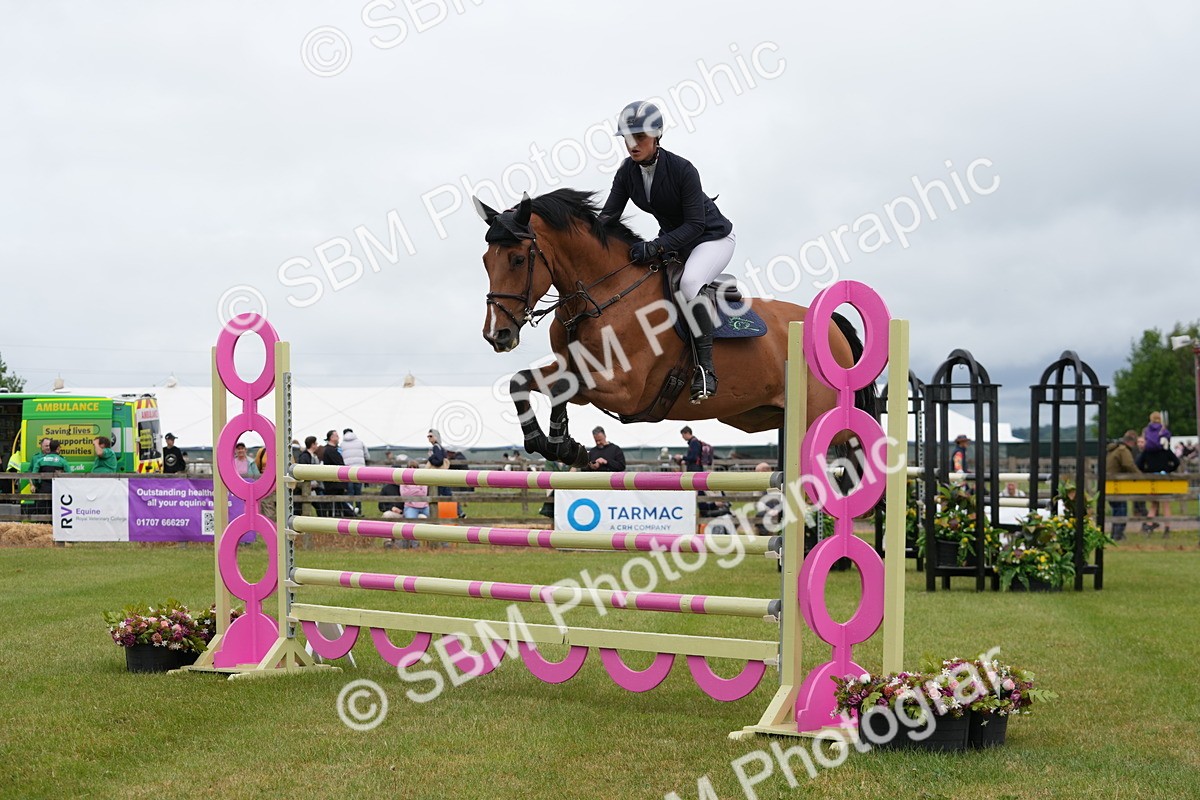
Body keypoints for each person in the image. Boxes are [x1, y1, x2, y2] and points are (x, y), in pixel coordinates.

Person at [600, 100, 735, 403]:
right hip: (676, 240)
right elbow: (608, 217)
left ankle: (705, 370)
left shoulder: (683, 169)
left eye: (640, 137)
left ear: (657, 136)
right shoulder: (627, 172)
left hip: (711, 238)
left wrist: (655, 246)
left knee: (689, 283)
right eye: (627, 138)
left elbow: (696, 225)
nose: (632, 144)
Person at [1105, 430, 1138, 540]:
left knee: (1116, 509)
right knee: (1121, 509)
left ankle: (1115, 534)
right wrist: (1140, 476)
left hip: (1109, 485)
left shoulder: (1113, 450)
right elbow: (1129, 465)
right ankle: (1118, 534)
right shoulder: (1123, 450)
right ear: (1132, 441)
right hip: (1117, 485)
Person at [32, 439, 69, 515]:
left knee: (43, 510)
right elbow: (69, 475)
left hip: (44, 488)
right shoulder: (62, 461)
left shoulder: (41, 460)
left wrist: (38, 485)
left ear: (50, 448)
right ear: (58, 448)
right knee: (56, 510)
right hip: (58, 489)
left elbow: (34, 475)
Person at [321, 430, 351, 517]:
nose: (338, 438)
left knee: (339, 503)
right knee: (338, 502)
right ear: (331, 438)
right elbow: (339, 464)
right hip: (334, 483)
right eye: (337, 436)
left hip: (334, 482)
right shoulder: (330, 451)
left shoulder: (331, 450)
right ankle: (350, 514)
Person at [340, 428, 369, 515]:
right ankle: (359, 511)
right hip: (359, 471)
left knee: (350, 492)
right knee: (358, 493)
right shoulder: (360, 442)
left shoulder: (342, 444)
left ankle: (351, 511)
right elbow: (367, 456)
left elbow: (340, 456)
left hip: (347, 471)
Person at [295, 435, 322, 517]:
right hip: (307, 486)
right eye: (316, 443)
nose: (317, 445)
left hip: (312, 486)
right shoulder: (305, 456)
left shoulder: (313, 456)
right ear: (312, 444)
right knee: (316, 506)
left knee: (317, 505)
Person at [427, 429, 453, 498]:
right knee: (447, 495)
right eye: (428, 436)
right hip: (443, 474)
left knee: (443, 495)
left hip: (439, 475)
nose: (429, 438)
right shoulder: (440, 447)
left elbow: (439, 461)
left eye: (431, 436)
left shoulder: (436, 447)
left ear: (436, 437)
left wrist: (430, 458)